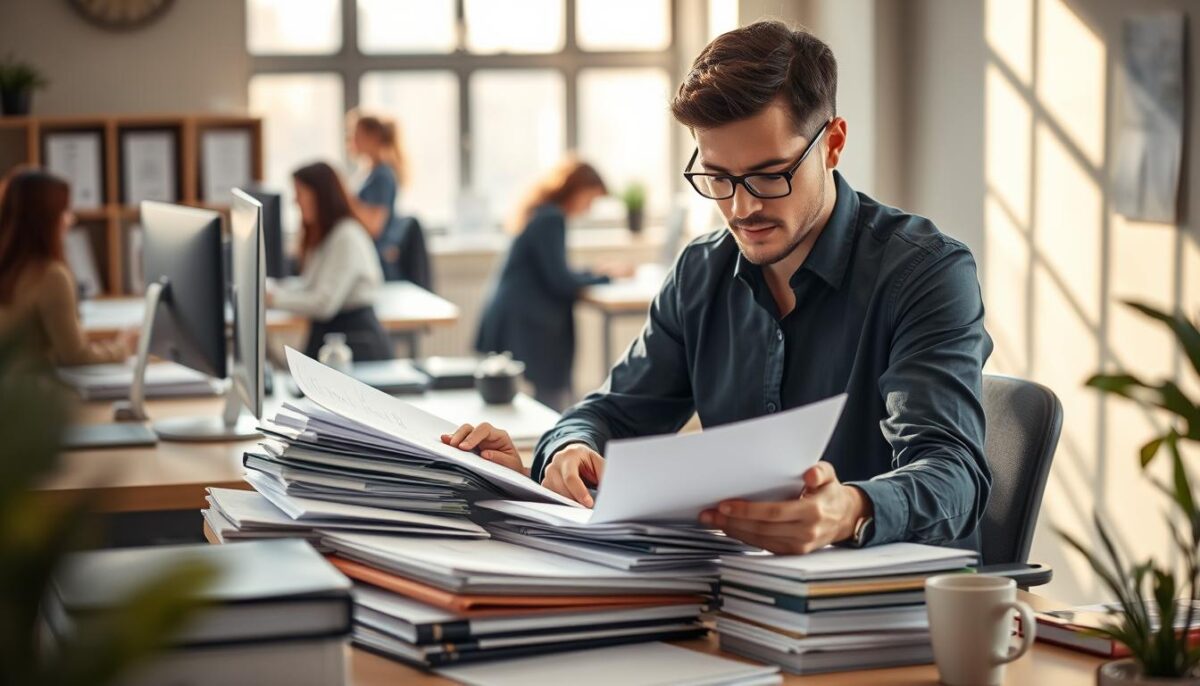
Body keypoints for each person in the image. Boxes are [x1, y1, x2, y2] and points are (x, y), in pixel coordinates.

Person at [448, 21, 993, 556]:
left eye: (769, 174)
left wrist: (848, 510)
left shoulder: (926, 273)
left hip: (889, 611)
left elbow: (953, 472)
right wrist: (571, 449)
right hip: (735, 600)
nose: (742, 207)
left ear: (832, 144)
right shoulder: (699, 273)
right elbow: (608, 414)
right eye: (718, 178)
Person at [475, 159, 631, 411]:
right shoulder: (551, 219)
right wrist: (606, 277)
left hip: (518, 314)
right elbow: (560, 281)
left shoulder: (542, 213)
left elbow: (552, 271)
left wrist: (592, 272)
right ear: (576, 190)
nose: (588, 208)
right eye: (589, 200)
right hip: (528, 321)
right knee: (552, 401)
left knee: (546, 398)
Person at [0, 169, 132, 366]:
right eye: (64, 211)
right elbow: (76, 356)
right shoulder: (50, 276)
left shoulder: (11, 267)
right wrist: (123, 346)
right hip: (26, 391)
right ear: (45, 219)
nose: (71, 219)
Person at [268, 162, 390, 362]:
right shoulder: (327, 235)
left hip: (354, 346)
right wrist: (275, 291)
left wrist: (274, 300)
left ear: (320, 195)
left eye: (300, 192)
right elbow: (309, 285)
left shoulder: (346, 236)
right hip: (330, 340)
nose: (295, 201)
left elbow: (324, 304)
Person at [347, 111, 406, 278]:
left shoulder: (382, 175)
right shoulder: (367, 173)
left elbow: (375, 226)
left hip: (378, 262)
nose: (351, 140)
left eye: (356, 135)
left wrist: (346, 201)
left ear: (372, 137)